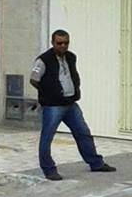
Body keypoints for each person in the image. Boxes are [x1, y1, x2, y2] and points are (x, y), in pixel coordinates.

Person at [30, 30, 116, 181]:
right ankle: (49, 170)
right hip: (53, 106)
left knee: (83, 132)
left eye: (66, 43)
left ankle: (96, 163)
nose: (63, 46)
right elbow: (34, 79)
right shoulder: (43, 60)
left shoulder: (71, 57)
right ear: (52, 43)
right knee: (47, 138)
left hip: (70, 103)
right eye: (59, 43)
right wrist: (48, 94)